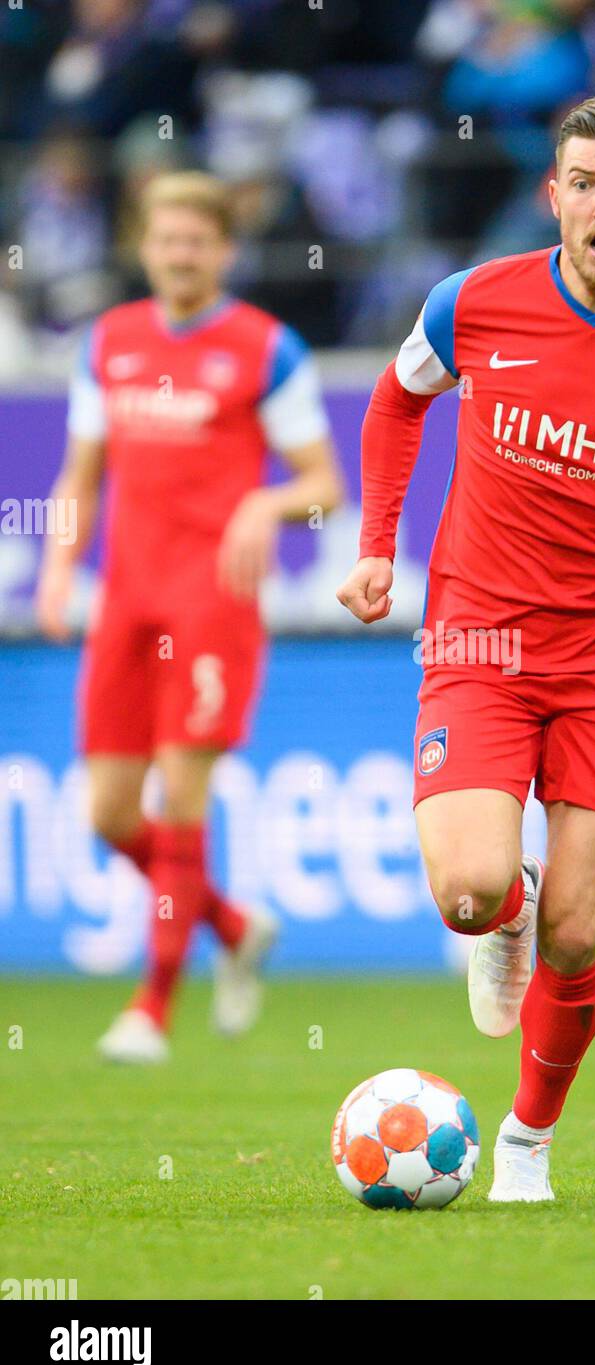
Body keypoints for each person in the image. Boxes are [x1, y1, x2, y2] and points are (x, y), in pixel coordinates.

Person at [337, 96, 595, 1200]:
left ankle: (526, 1140)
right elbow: (393, 404)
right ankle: (506, 906)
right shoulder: (474, 302)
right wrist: (378, 546)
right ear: (555, 193)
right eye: (586, 183)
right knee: (471, 893)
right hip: (479, 630)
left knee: (579, 933)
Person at [38, 171, 343, 1063]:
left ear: (223, 250)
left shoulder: (265, 349)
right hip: (126, 600)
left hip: (212, 604)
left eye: (196, 241)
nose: (180, 253)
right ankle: (233, 923)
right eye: (166, 239)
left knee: (181, 802)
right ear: (144, 246)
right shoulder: (110, 343)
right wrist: (59, 566)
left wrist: (265, 507)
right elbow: (78, 476)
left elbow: (324, 483)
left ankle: (152, 1008)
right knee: (108, 813)